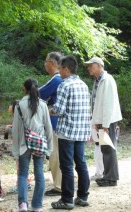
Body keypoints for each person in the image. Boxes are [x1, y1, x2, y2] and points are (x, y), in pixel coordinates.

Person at [51, 55, 91, 210]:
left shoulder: (64, 85)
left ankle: (67, 199)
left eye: (60, 68)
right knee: (81, 163)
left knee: (66, 166)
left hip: (67, 132)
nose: (59, 71)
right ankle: (82, 196)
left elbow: (59, 110)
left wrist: (48, 111)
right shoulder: (83, 85)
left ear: (66, 69)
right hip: (81, 131)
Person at [12, 78, 53, 212]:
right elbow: (48, 127)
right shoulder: (43, 105)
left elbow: (16, 130)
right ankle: (37, 206)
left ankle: (23, 204)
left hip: (24, 144)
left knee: (23, 174)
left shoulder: (19, 105)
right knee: (39, 174)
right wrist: (49, 149)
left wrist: (16, 150)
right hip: (40, 144)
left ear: (25, 88)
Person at [84, 57, 122, 187]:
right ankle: (108, 175)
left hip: (108, 121)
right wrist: (96, 121)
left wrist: (105, 123)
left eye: (91, 66)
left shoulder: (107, 80)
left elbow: (108, 104)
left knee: (108, 148)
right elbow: (96, 103)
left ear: (100, 66)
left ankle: (111, 178)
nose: (89, 68)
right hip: (102, 121)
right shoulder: (98, 80)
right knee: (105, 148)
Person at [39, 51, 62, 196]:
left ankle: (59, 186)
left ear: (53, 63)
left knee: (55, 154)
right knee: (60, 154)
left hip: (55, 122)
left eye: (46, 61)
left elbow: (39, 93)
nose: (44, 64)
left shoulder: (56, 79)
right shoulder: (62, 78)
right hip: (61, 122)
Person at [5, 100, 32, 194]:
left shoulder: (18, 115)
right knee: (24, 166)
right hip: (27, 145)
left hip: (20, 146)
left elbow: (16, 131)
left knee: (19, 167)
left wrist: (9, 129)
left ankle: (20, 186)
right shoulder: (24, 115)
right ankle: (27, 183)